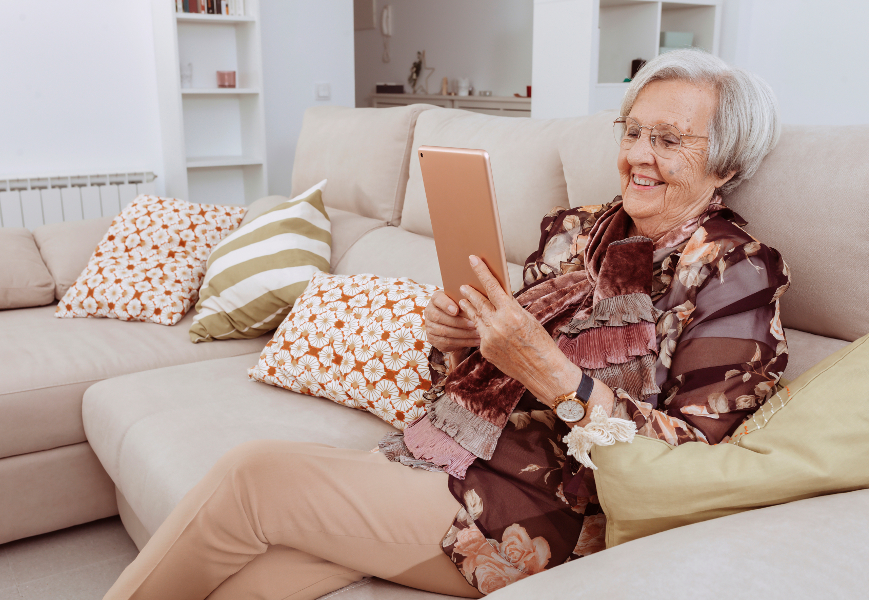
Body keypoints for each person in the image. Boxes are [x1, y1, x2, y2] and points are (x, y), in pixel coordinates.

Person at [104, 49, 789, 600]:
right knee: (250, 584)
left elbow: (695, 458)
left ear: (726, 161)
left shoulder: (735, 274)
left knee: (253, 474)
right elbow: (482, 368)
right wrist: (459, 340)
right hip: (451, 453)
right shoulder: (578, 232)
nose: (639, 156)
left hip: (547, 509)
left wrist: (553, 375)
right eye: (633, 132)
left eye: (669, 140)